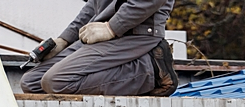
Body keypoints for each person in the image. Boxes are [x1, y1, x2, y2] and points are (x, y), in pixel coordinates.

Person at [21, 0, 178, 97]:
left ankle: (151, 71)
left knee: (56, 82)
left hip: (136, 35)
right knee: (32, 82)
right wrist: (65, 39)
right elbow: (94, 5)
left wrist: (112, 28)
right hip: (102, 33)